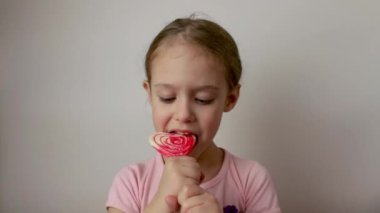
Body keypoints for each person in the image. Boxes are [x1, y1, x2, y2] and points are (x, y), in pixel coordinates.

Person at [106, 15, 281, 213]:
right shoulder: (131, 183)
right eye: (167, 97)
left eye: (202, 99)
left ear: (230, 99)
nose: (183, 115)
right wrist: (161, 200)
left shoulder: (251, 179)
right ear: (150, 94)